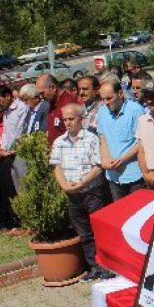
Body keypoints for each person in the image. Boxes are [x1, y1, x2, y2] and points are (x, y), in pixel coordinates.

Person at [49, 104, 111, 281]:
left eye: (71, 119)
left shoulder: (91, 139)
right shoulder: (59, 142)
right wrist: (64, 185)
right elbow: (56, 166)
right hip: (73, 195)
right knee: (84, 234)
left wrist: (82, 183)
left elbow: (98, 167)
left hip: (92, 193)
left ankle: (106, 266)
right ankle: (93, 267)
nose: (67, 123)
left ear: (80, 119)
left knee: (99, 231)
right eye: (65, 119)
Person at [97, 79, 146, 201]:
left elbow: (141, 141)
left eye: (109, 98)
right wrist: (105, 160)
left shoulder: (136, 110)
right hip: (114, 177)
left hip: (134, 174)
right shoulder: (102, 112)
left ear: (120, 93)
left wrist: (122, 160)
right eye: (103, 99)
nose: (106, 103)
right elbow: (103, 138)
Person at [36, 74, 77, 144]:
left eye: (42, 93)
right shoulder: (52, 103)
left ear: (53, 87)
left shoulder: (68, 104)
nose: (41, 97)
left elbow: (75, 135)